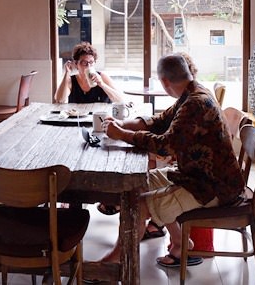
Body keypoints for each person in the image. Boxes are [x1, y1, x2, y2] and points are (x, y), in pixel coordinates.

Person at [100, 54, 244, 267]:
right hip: (198, 176)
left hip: (212, 187)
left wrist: (122, 135)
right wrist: (122, 124)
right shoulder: (193, 93)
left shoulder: (195, 104)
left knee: (137, 207)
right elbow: (159, 121)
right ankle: (180, 242)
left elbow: (165, 145)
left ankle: (111, 266)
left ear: (164, 82)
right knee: (139, 184)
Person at [54, 42, 124, 104]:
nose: (88, 66)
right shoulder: (71, 80)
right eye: (84, 62)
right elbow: (59, 100)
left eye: (91, 62)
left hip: (101, 117)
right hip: (77, 118)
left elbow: (120, 100)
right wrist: (67, 73)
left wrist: (102, 85)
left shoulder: (102, 77)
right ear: (76, 64)